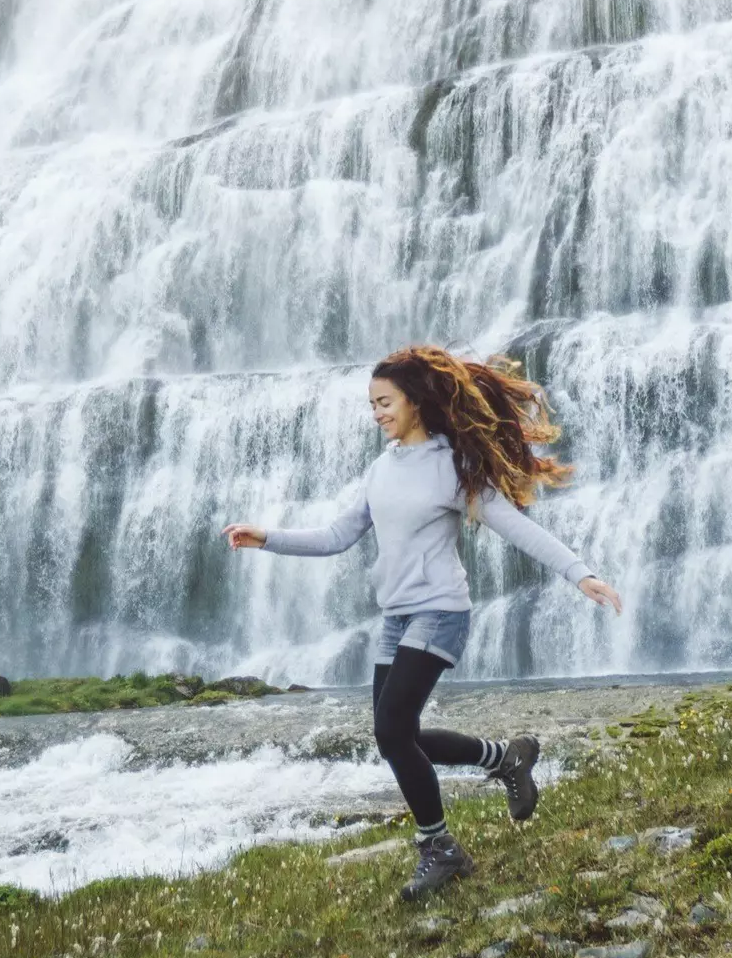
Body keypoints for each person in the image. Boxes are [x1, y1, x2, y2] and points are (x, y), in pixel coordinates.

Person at [224, 345, 622, 900]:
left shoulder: (451, 468)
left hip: (441, 612)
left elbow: (514, 525)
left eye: (385, 401)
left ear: (415, 401)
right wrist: (267, 537)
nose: (377, 413)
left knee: (391, 730)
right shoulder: (380, 470)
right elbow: (338, 537)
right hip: (397, 617)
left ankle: (440, 849)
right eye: (372, 405)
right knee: (398, 739)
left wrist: (581, 575)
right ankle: (504, 758)